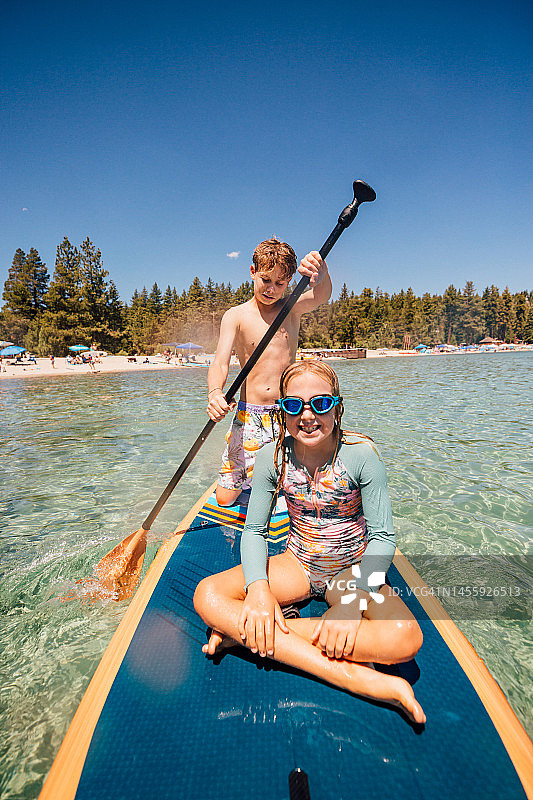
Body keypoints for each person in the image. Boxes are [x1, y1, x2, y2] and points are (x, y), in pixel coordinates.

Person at [194, 360, 425, 723]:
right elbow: (254, 531)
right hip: (298, 565)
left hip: (350, 570)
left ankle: (240, 635)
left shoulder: (361, 455)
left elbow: (382, 538)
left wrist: (352, 604)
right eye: (293, 405)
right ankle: (351, 676)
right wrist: (258, 590)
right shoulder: (273, 456)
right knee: (207, 595)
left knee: (405, 636)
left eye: (320, 403)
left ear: (337, 406)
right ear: (281, 410)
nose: (307, 415)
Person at [207, 238, 332, 507]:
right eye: (265, 280)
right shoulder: (236, 316)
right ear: (253, 271)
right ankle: (253, 485)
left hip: (287, 413)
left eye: (280, 283)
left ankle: (283, 486)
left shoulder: (290, 309)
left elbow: (321, 295)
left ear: (289, 283)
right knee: (225, 499)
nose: (271, 289)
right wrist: (215, 392)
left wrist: (321, 274)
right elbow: (220, 363)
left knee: (291, 486)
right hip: (248, 415)